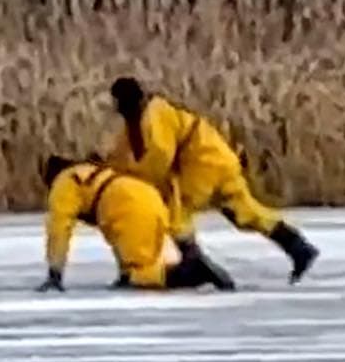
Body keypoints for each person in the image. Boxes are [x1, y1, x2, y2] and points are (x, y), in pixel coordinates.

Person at [99, 76, 319, 284]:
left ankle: (192, 262)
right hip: (218, 159)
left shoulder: (153, 119)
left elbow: (158, 160)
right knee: (244, 212)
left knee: (178, 209)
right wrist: (110, 168)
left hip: (203, 164)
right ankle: (297, 246)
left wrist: (131, 180)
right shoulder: (142, 117)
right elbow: (126, 153)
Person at [37, 154, 236, 293]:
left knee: (141, 274)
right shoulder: (89, 172)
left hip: (128, 208)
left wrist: (55, 273)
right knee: (139, 262)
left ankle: (194, 271)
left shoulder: (63, 184)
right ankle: (183, 266)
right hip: (146, 195)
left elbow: (59, 228)